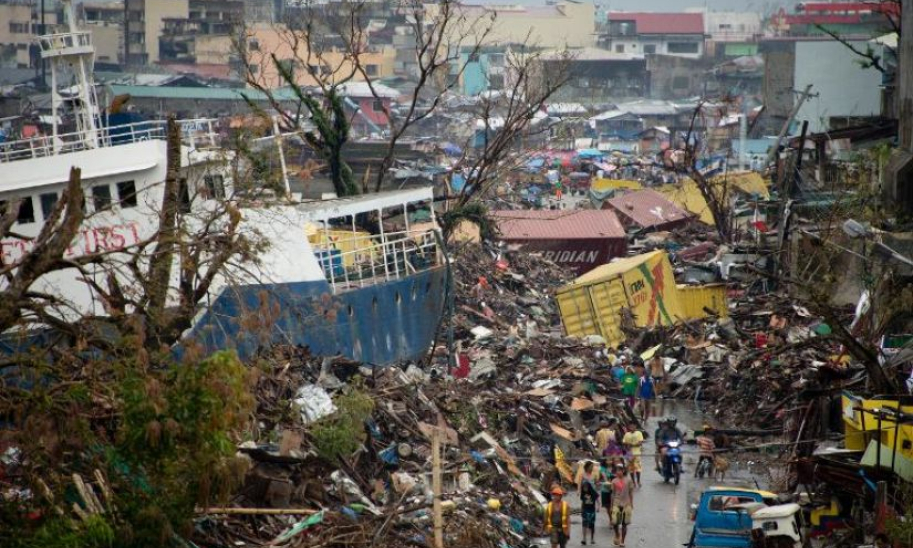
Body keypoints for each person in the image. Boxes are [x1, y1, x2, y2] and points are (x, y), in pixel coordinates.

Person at [611, 462, 635, 547]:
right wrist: (611, 505)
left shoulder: (628, 480)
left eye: (620, 470)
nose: (618, 472)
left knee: (624, 524)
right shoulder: (614, 481)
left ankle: (622, 541)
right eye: (617, 470)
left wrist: (631, 503)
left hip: (626, 504)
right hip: (616, 503)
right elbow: (613, 494)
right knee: (614, 522)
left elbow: (631, 492)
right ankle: (617, 534)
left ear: (623, 471)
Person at [579, 462, 598, 545]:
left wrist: (598, 502)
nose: (592, 468)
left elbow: (596, 485)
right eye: (590, 466)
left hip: (593, 498)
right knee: (584, 521)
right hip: (585, 498)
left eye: (592, 467)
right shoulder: (582, 475)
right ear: (586, 467)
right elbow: (580, 485)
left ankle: (592, 538)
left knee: (592, 522)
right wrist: (579, 492)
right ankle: (584, 538)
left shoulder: (594, 475)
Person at [622, 422, 644, 488]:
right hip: (629, 453)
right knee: (631, 468)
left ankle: (638, 481)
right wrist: (626, 447)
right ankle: (633, 482)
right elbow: (624, 443)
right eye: (630, 426)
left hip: (637, 453)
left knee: (637, 468)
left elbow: (640, 443)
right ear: (629, 427)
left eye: (633, 426)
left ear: (635, 426)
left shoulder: (639, 433)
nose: (632, 427)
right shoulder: (626, 434)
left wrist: (631, 445)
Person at [598, 458, 614, 523]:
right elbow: (604, 476)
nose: (610, 461)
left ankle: (613, 519)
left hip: (613, 489)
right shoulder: (602, 468)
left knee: (614, 505)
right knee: (608, 506)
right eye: (608, 460)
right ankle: (611, 519)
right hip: (605, 489)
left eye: (610, 459)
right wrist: (607, 481)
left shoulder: (614, 468)